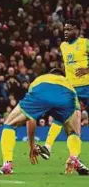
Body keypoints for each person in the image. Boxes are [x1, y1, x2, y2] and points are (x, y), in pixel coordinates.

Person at [0, 69, 88, 175]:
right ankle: (74, 158)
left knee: (9, 124)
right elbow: (77, 122)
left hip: (41, 91)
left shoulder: (40, 79)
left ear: (49, 74)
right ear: (62, 76)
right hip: (66, 96)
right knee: (73, 133)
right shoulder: (69, 84)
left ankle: (7, 165)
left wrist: (32, 146)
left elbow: (31, 120)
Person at [38, 19, 89, 160]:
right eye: (65, 29)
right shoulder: (63, 46)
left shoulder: (85, 43)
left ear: (78, 30)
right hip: (71, 89)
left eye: (69, 29)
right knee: (60, 115)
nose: (66, 32)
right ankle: (47, 147)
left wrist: (87, 69)